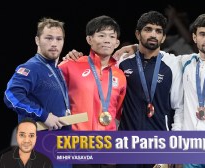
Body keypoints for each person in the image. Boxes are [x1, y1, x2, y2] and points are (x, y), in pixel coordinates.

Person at [113, 13, 205, 168]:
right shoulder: (184, 62)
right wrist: (135, 46)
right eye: (202, 34)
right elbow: (155, 53)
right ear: (194, 37)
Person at [64, 11, 183, 168]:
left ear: (164, 37)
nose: (153, 34)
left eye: (158, 31)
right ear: (138, 34)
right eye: (148, 30)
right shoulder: (121, 63)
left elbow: (179, 109)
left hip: (158, 145)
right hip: (126, 146)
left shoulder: (174, 64)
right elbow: (115, 108)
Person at [59, 15, 126, 168]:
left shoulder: (120, 76)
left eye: (111, 36)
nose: (107, 40)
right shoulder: (70, 65)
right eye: (101, 35)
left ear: (117, 43)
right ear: (89, 39)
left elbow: (116, 113)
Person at [4, 17, 69, 131]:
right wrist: (44, 115)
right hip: (39, 141)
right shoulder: (30, 68)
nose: (54, 43)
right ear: (37, 40)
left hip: (62, 141)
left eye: (59, 39)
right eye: (48, 38)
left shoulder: (59, 69)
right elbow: (11, 96)